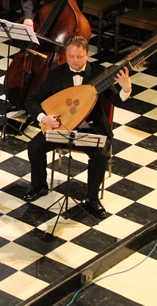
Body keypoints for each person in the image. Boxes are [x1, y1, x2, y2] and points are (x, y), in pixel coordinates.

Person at [23, 35, 132, 219]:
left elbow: (116, 100)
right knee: (34, 146)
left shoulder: (99, 73)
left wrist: (126, 88)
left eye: (79, 57)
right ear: (66, 54)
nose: (74, 61)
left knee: (101, 154)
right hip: (62, 126)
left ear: (87, 55)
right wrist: (45, 118)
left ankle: (92, 199)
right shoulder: (56, 73)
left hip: (91, 128)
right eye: (71, 56)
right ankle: (39, 186)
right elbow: (31, 100)